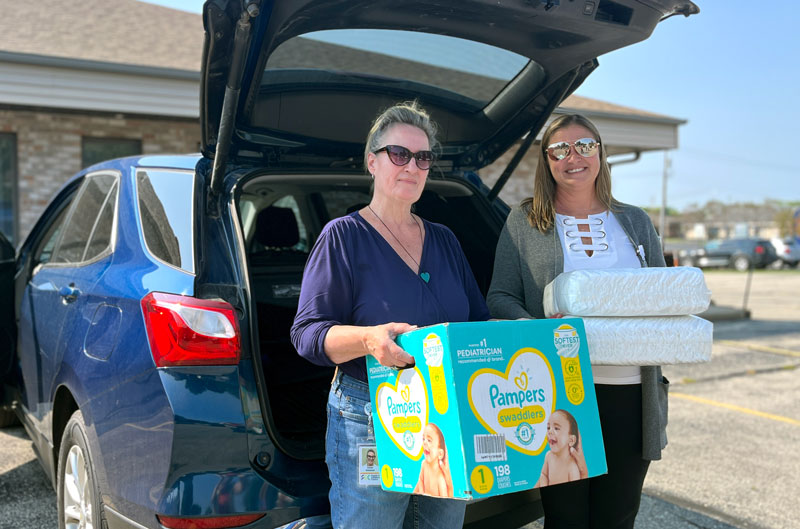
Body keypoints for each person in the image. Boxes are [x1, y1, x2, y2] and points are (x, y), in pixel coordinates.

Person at [291, 101, 489, 529]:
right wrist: (367, 340)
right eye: (399, 154)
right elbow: (307, 334)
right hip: (371, 417)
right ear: (372, 161)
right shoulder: (343, 238)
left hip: (446, 417)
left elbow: (477, 319)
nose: (412, 166)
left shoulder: (445, 239)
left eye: (422, 158)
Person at [487, 113, 669, 529]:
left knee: (618, 516)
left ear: (601, 152)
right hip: (560, 395)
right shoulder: (526, 220)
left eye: (585, 145)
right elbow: (499, 296)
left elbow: (662, 295)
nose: (574, 156)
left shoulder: (636, 221)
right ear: (547, 160)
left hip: (631, 394)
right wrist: (541, 330)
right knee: (566, 518)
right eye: (560, 149)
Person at [538, 410, 582, 487]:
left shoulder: (572, 467)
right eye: (548, 428)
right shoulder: (549, 456)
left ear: (571, 440)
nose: (550, 431)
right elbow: (543, 475)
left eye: (556, 428)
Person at [414, 423, 454, 498]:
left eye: (429, 440)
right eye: (423, 439)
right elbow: (420, 481)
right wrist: (422, 495)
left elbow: (445, 501)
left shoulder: (440, 478)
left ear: (440, 454)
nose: (424, 442)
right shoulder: (424, 464)